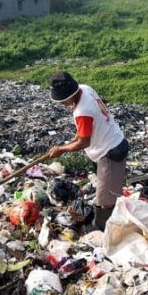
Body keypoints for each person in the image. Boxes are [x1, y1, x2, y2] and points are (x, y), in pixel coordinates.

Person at [47, 71, 129, 230]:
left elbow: (84, 142)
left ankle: (102, 228)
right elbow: (82, 133)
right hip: (114, 138)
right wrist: (68, 143)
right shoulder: (85, 89)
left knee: (105, 200)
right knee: (108, 190)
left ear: (69, 95)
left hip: (110, 152)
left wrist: (61, 150)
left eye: (62, 100)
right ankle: (107, 221)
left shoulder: (82, 111)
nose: (61, 104)